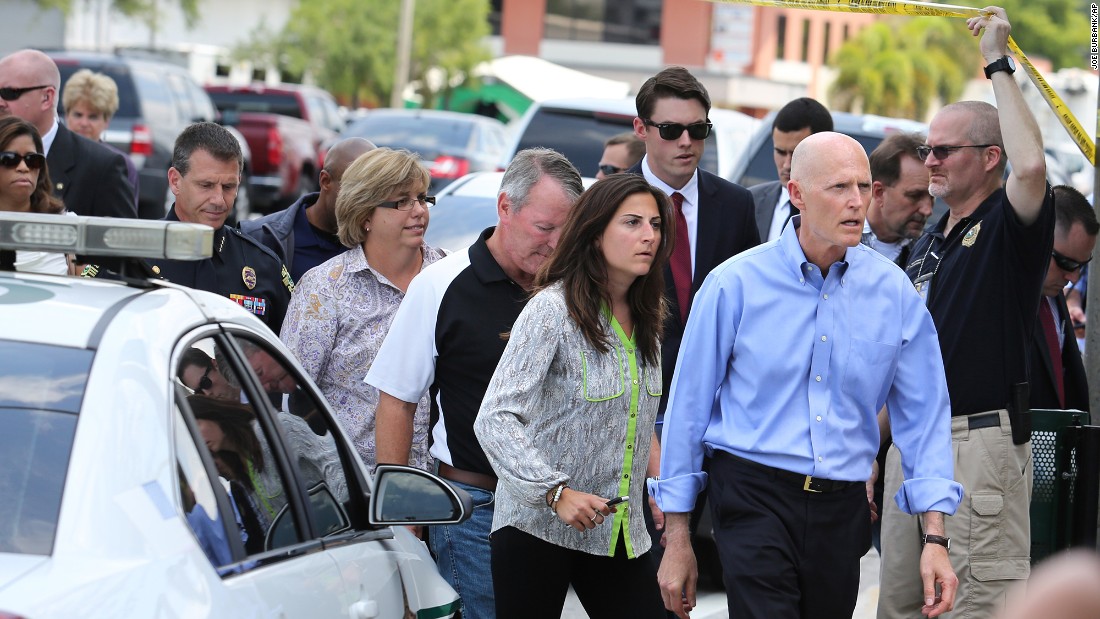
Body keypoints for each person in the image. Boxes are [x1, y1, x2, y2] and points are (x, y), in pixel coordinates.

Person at [652, 132, 962, 619]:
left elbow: (924, 416)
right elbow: (686, 411)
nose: (857, 202)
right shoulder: (735, 284)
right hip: (752, 496)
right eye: (839, 187)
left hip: (843, 508)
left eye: (863, 186)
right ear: (796, 194)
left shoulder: (893, 292)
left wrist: (936, 537)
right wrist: (677, 540)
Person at [879, 8, 1055, 619]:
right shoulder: (930, 238)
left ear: (989, 157)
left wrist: (998, 63)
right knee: (899, 608)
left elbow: (1032, 168)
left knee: (970, 607)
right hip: (911, 446)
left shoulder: (1009, 226)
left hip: (974, 443)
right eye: (927, 149)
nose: (929, 161)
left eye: (945, 150)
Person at [368, 148, 583, 619]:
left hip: (561, 511)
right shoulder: (441, 284)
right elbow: (396, 401)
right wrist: (403, 520)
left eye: (567, 232)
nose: (554, 245)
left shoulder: (576, 289)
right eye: (544, 228)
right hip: (474, 509)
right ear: (505, 207)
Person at [474, 174, 673, 618]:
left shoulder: (647, 321)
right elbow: (495, 418)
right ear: (594, 232)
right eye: (633, 222)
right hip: (536, 527)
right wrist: (554, 491)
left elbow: (636, 417)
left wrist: (661, 485)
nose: (649, 236)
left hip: (618, 527)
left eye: (656, 225)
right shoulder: (551, 310)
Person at [280, 148, 446, 473]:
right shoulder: (324, 289)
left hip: (447, 491)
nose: (418, 211)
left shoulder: (448, 277)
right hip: (353, 491)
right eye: (401, 201)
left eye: (422, 198)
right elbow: (293, 395)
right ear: (364, 215)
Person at [140, 122, 293, 334]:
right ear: (175, 181)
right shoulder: (135, 256)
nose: (219, 200)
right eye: (206, 185)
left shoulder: (262, 265)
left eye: (229, 187)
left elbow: (287, 351)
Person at [0, 49, 135, 219]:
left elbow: (120, 240)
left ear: (46, 98)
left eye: (9, 93)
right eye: (9, 160)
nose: (0, 102)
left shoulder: (101, 166)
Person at [241, 137, 376, 281]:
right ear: (325, 181)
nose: (365, 201)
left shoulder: (379, 246)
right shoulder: (259, 238)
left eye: (374, 192)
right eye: (356, 189)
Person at [1029, 185, 1096, 412]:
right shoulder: (1004, 294)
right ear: (1039, 237)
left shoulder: (1052, 296)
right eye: (1066, 263)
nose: (1073, 276)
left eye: (1081, 266)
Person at [749, 97, 833, 242]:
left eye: (796, 154)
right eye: (780, 152)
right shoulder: (750, 203)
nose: (787, 164)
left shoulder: (844, 209)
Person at [61, 69, 140, 212]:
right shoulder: (51, 154)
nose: (84, 123)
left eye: (93, 117)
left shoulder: (122, 164)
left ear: (106, 121)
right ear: (67, 116)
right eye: (78, 114)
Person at [0, 116, 67, 274]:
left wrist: (84, 278)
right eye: (10, 159)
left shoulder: (66, 223)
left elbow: (96, 268)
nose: (23, 168)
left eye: (32, 160)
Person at [865, 131, 934, 266]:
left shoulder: (931, 254)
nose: (927, 210)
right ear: (879, 192)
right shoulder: (837, 241)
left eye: (933, 197)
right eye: (915, 196)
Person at [178, 347, 242, 402]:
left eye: (205, 383)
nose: (207, 394)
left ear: (215, 365)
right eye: (199, 392)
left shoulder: (249, 377)